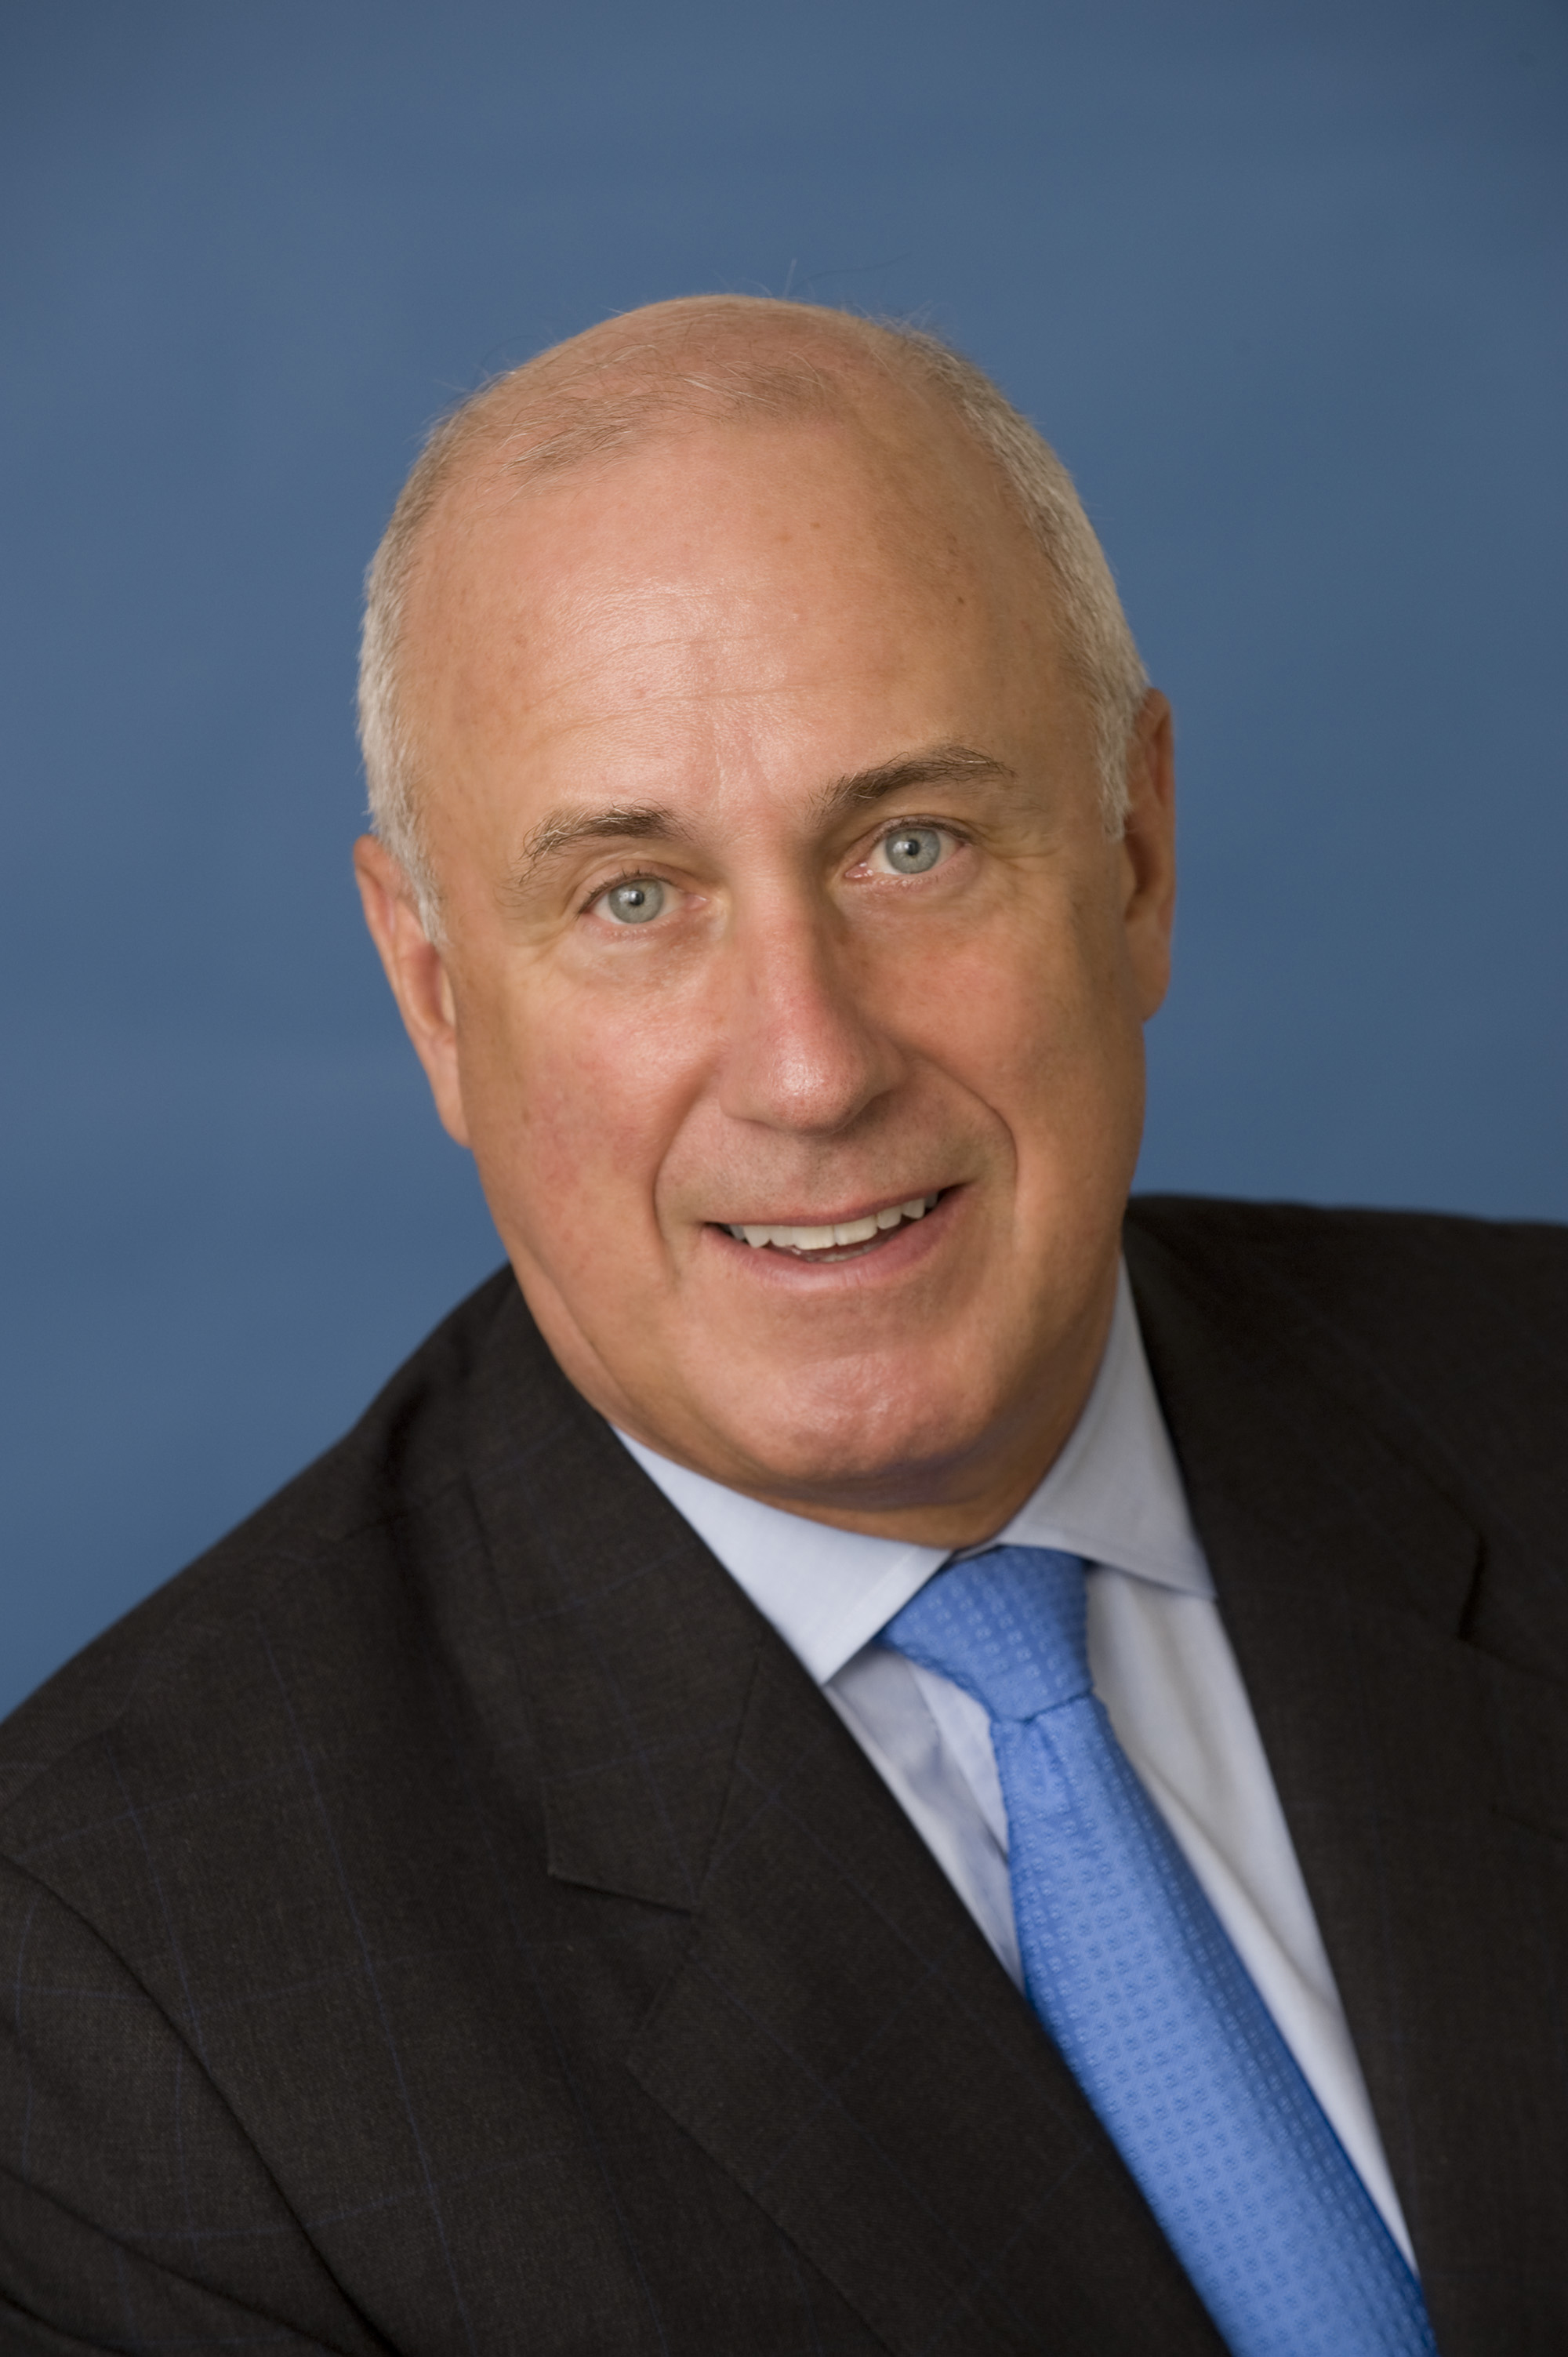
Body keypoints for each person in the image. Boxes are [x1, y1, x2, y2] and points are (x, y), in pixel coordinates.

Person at [1, 297, 1562, 2357]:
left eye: (913, 846)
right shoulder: (121, 2001)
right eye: (632, 896)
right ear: (438, 996)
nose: (812, 1067)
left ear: (1136, 856)